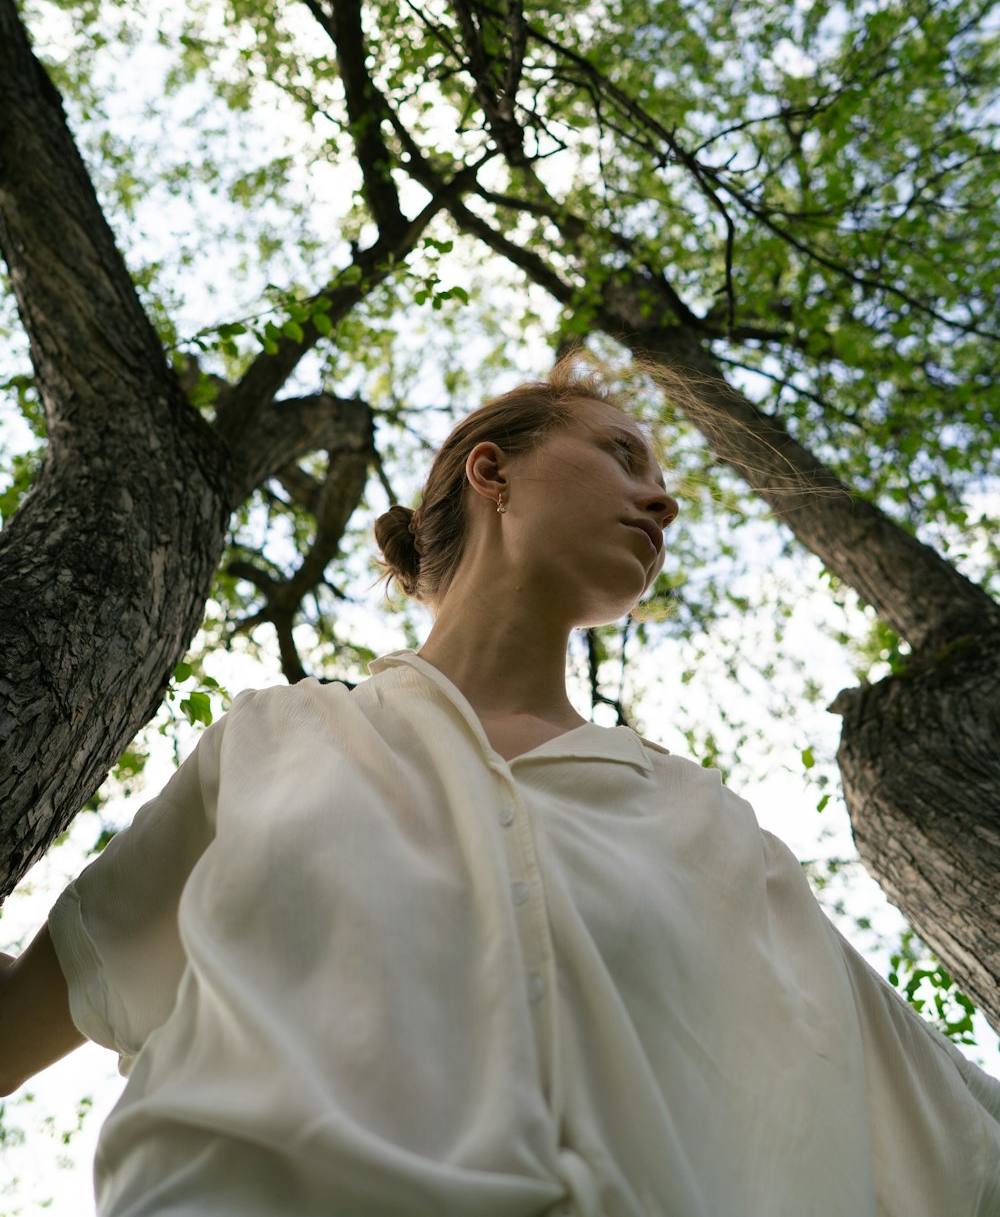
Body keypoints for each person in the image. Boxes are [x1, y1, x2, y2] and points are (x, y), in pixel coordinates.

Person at [1, 359, 999, 1217]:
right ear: (493, 472)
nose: (665, 500)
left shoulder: (698, 817)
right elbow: (34, 1014)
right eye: (622, 455)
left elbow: (940, 1123)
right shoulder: (277, 739)